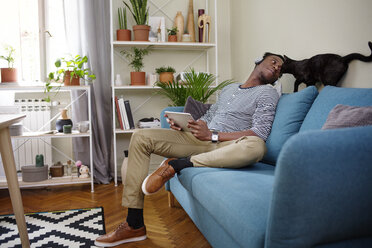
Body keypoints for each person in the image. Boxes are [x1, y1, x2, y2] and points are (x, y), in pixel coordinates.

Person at [95, 52, 284, 247]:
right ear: (258, 61)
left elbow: (259, 132)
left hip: (228, 144)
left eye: (280, 69)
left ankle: (180, 164)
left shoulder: (267, 93)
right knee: (141, 137)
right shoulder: (229, 89)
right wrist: (188, 126)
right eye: (274, 61)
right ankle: (133, 224)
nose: (277, 67)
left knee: (256, 147)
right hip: (200, 140)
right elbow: (210, 115)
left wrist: (213, 136)